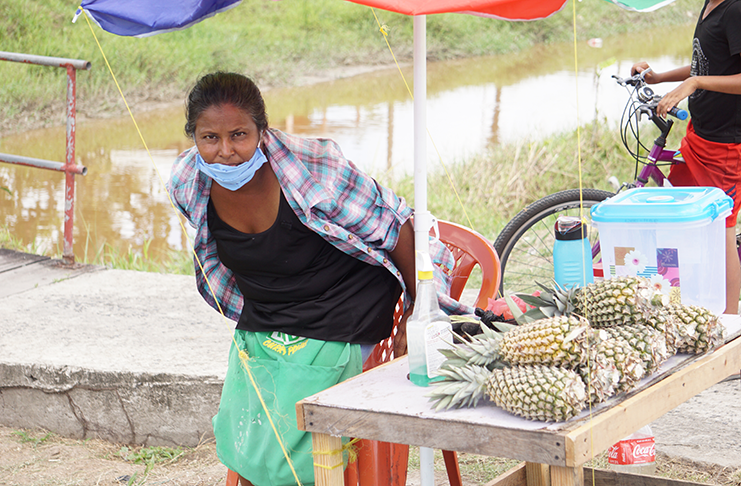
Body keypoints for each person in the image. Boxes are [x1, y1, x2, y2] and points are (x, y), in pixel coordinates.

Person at [167, 71, 471, 486]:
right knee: (247, 435)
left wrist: (417, 315)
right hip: (267, 314)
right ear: (194, 138)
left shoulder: (312, 168)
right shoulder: (189, 182)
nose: (226, 152)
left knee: (294, 445)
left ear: (262, 130)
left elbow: (397, 228)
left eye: (239, 135)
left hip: (344, 311)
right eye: (210, 138)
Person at [631, 0, 741, 314]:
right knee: (680, 221)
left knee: (722, 231)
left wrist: (692, 84)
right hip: (699, 135)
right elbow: (709, 65)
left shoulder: (734, 10)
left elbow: (707, 77)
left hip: (725, 146)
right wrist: (660, 77)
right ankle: (683, 307)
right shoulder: (711, 5)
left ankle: (731, 331)